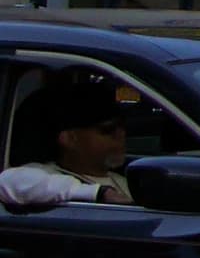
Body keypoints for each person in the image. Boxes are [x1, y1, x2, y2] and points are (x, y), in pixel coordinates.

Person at [1, 74, 140, 208]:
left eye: (122, 126)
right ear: (69, 138)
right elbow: (7, 182)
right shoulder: (44, 174)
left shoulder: (125, 182)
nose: (121, 134)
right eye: (108, 130)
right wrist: (98, 193)